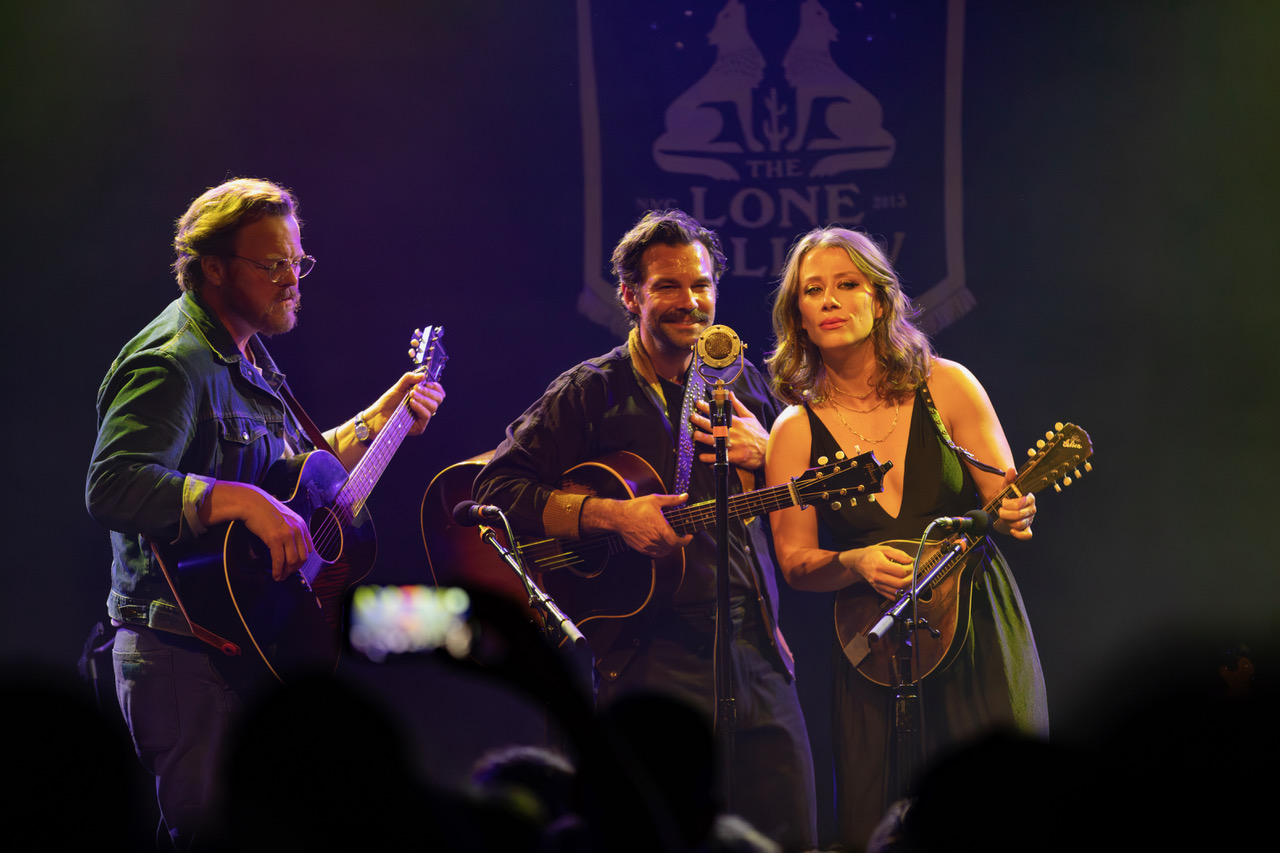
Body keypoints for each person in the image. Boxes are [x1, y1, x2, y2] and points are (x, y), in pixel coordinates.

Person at [85, 177, 445, 849]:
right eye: (273, 263)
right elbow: (113, 485)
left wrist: (380, 419)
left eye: (296, 262)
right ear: (214, 267)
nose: (292, 279)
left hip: (243, 639)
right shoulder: (174, 361)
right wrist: (240, 500)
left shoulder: (249, 352)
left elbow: (291, 479)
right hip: (180, 649)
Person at [473, 210, 817, 851]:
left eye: (702, 284)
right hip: (648, 651)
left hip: (755, 646)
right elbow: (495, 490)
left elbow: (805, 504)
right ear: (630, 296)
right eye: (668, 286)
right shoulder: (588, 392)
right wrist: (612, 516)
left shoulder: (746, 385)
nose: (691, 302)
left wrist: (770, 451)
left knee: (789, 836)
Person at [763, 226, 1049, 849]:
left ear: (881, 300)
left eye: (848, 285)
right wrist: (855, 560)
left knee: (1003, 807)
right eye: (814, 291)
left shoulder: (947, 385)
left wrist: (1017, 511)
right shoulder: (792, 430)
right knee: (880, 812)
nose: (831, 300)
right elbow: (795, 562)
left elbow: (1002, 497)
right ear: (799, 318)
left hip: (974, 624)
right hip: (874, 646)